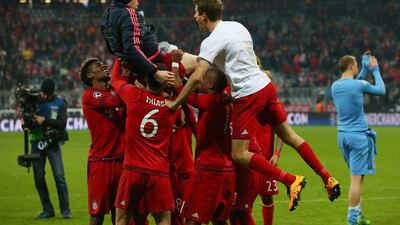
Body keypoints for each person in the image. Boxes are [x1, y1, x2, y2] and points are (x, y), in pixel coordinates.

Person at [166, 0, 341, 211]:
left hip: (248, 95)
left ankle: (290, 179)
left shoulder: (211, 41)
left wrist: (176, 103)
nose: (194, 18)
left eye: (195, 13)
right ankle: (327, 177)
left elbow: (196, 77)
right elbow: (220, 60)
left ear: (203, 15)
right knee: (290, 136)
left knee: (239, 154)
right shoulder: (238, 27)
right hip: (266, 86)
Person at [110, 59, 182, 225]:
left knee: (122, 220)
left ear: (146, 78)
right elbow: (182, 120)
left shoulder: (134, 95)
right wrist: (176, 66)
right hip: (158, 172)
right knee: (163, 220)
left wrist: (120, 59)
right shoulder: (172, 106)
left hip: (132, 170)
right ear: (166, 84)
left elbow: (115, 80)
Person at [331, 53, 385, 225]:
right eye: (355, 66)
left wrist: (363, 68)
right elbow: (381, 90)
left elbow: (355, 82)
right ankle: (353, 219)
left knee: (358, 177)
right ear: (352, 67)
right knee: (356, 179)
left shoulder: (335, 86)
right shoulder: (359, 84)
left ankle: (358, 214)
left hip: (342, 136)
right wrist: (375, 70)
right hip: (358, 137)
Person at [181, 68, 235, 225]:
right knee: (219, 221)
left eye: (202, 79)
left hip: (209, 169)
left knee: (192, 219)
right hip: (227, 170)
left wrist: (177, 66)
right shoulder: (226, 100)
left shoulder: (212, 101)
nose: (198, 80)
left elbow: (183, 93)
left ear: (210, 84)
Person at [80, 58, 126, 225]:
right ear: (91, 75)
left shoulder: (115, 90)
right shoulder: (89, 95)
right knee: (97, 215)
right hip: (101, 163)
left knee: (121, 215)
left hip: (122, 162)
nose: (104, 66)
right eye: (98, 66)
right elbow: (114, 101)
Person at [29, 78, 71, 219]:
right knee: (39, 178)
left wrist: (45, 120)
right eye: (43, 93)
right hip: (36, 144)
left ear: (52, 93)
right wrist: (26, 120)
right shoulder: (33, 100)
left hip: (52, 144)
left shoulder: (59, 103)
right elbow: (28, 122)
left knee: (59, 177)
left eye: (47, 94)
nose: (44, 96)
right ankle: (48, 210)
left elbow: (62, 124)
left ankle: (65, 211)